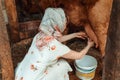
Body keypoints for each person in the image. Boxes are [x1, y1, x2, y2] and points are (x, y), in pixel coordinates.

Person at [15, 8, 94, 80]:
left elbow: (56, 39)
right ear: (58, 25)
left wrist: (75, 35)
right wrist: (89, 45)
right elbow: (79, 56)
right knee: (63, 64)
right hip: (35, 78)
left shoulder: (40, 35)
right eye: (65, 23)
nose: (65, 26)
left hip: (21, 74)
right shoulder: (56, 47)